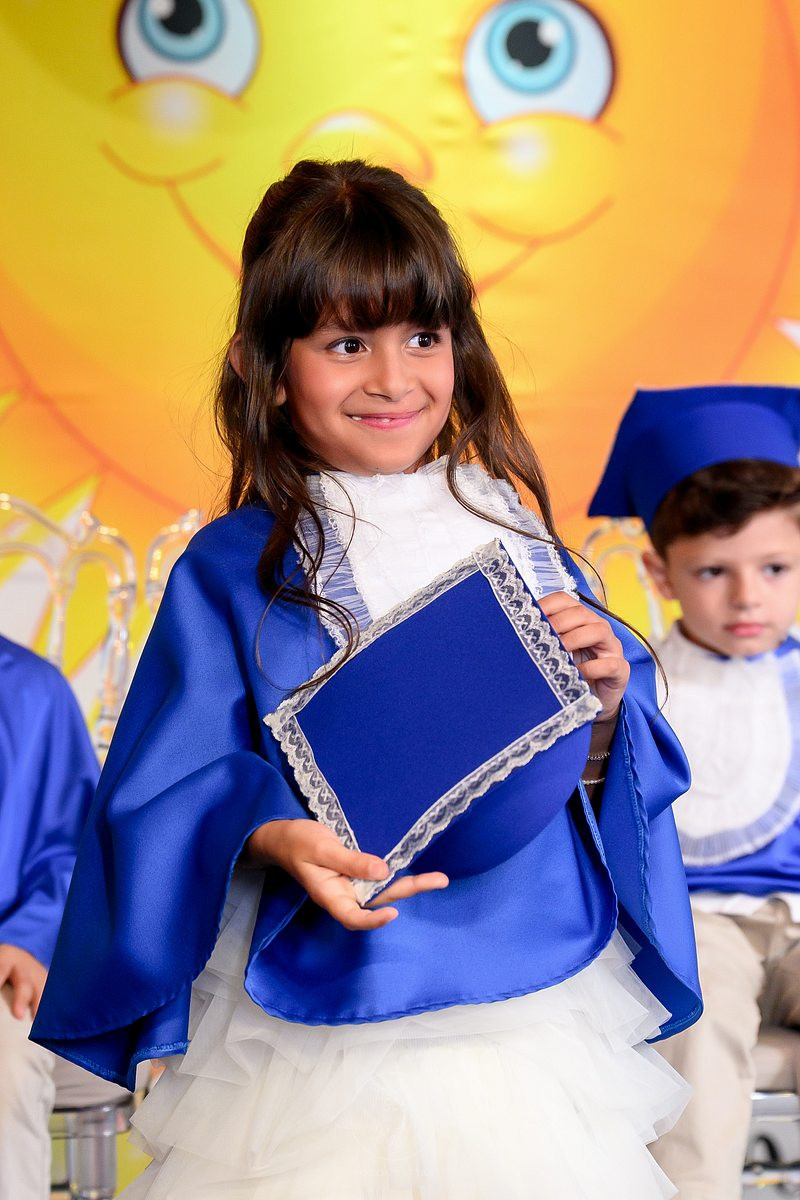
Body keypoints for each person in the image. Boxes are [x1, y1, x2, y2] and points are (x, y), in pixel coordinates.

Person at [32, 159, 700, 1200]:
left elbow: (603, 783)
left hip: (521, 991)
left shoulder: (518, 541)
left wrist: (608, 710)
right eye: (346, 344)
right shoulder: (234, 568)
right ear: (266, 365)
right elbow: (165, 788)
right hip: (323, 1003)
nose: (393, 379)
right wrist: (273, 832)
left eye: (422, 338)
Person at [589, 382, 800, 1199]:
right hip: (701, 919)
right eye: (713, 571)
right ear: (661, 572)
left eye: (775, 568)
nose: (747, 597)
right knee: (702, 1017)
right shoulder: (642, 685)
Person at [0, 633, 100, 1200]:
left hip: (3, 959)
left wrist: (26, 939)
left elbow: (70, 853)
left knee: (4, 1066)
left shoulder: (31, 692)